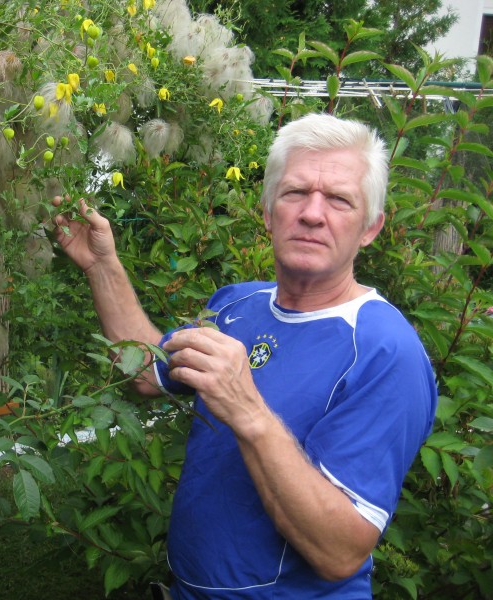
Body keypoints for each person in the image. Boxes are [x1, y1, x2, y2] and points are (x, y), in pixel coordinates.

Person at [52, 113, 437, 599]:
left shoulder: (387, 351)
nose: (313, 213)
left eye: (339, 199)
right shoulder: (236, 304)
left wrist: (247, 409)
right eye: (295, 192)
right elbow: (147, 373)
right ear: (267, 210)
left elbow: (341, 553)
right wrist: (102, 266)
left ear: (370, 228)